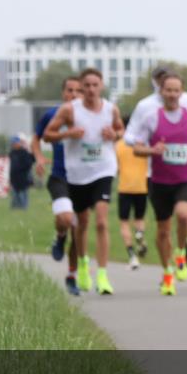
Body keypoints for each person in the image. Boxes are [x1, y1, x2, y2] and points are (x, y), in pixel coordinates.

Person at [44, 68, 124, 295]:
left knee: (101, 221)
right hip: (77, 174)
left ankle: (103, 276)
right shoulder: (69, 110)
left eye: (94, 85)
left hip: (103, 170)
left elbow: (121, 129)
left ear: (101, 86)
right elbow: (48, 135)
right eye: (85, 86)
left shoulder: (111, 109)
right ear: (81, 88)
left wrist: (114, 135)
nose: (90, 89)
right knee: (80, 224)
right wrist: (67, 135)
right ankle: (81, 266)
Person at [131, 74, 187, 294]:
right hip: (159, 181)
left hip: (185, 178)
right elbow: (137, 148)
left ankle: (180, 252)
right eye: (168, 90)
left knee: (184, 215)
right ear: (161, 92)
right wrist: (152, 150)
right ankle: (167, 274)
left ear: (182, 92)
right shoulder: (151, 118)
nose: (173, 94)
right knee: (163, 230)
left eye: (177, 90)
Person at [35, 76, 82, 295]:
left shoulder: (92, 116)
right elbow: (38, 139)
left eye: (78, 91)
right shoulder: (52, 115)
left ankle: (71, 275)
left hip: (83, 180)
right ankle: (59, 236)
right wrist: (38, 158)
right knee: (65, 219)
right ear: (63, 93)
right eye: (70, 90)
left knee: (77, 229)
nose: (74, 95)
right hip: (60, 177)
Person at [115, 116, 150, 269]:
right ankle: (140, 235)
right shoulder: (143, 144)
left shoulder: (118, 145)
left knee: (124, 222)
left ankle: (132, 255)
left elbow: (115, 168)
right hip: (142, 187)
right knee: (139, 219)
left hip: (125, 187)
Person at [8, 133, 35, 210]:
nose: (13, 145)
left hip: (23, 179)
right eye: (12, 143)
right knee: (14, 196)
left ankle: (23, 209)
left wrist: (19, 169)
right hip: (14, 180)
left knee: (22, 195)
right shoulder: (12, 153)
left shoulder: (24, 153)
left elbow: (29, 163)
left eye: (14, 143)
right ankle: (15, 210)